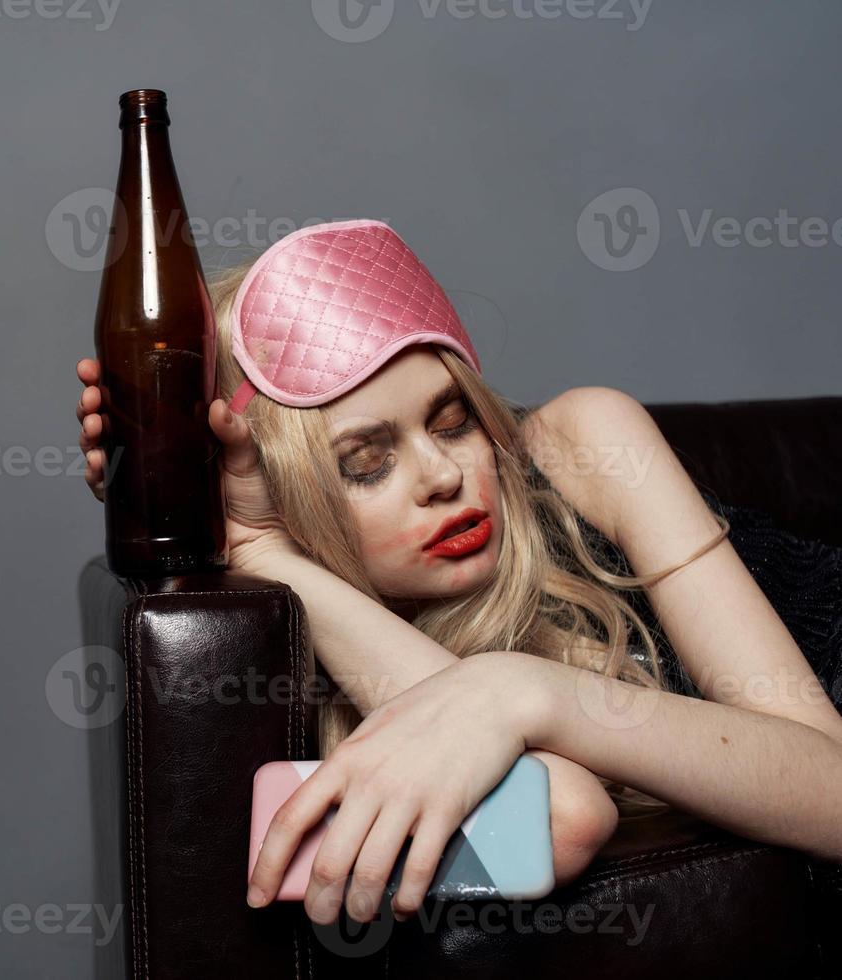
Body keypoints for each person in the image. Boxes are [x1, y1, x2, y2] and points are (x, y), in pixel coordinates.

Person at [72, 219, 842, 928]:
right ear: (285, 496)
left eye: (453, 422)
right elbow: (561, 816)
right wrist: (262, 552)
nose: (443, 475)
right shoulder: (288, 648)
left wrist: (521, 692)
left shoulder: (585, 443)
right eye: (365, 464)